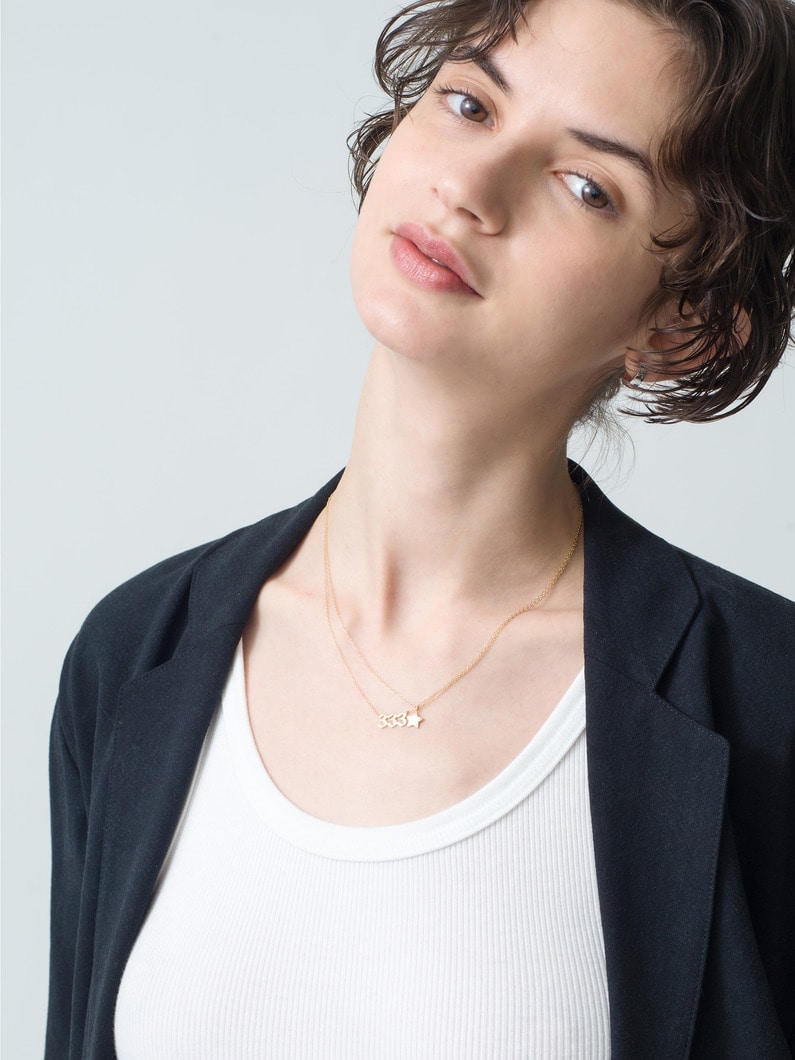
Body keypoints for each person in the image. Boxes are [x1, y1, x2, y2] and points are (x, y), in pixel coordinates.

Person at [47, 0, 795, 1056]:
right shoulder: (133, 657)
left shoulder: (765, 703)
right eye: (470, 103)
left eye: (586, 184)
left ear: (682, 322)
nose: (470, 188)